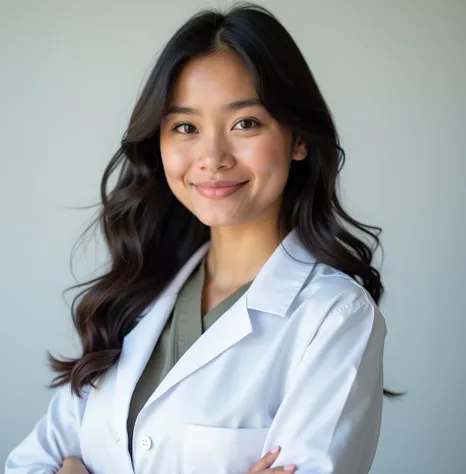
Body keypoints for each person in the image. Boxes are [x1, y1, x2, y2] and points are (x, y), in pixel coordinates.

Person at [5, 3, 389, 474]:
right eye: (185, 127)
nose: (212, 156)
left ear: (298, 139)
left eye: (245, 123)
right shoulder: (133, 295)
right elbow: (28, 464)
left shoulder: (334, 317)